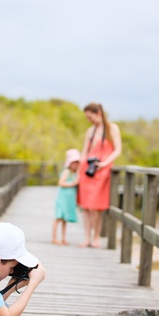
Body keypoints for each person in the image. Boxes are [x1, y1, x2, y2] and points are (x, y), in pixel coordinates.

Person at [77, 103, 122, 248]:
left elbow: (117, 150)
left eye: (90, 116)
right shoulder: (90, 131)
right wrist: (79, 170)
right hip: (87, 171)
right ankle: (86, 238)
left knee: (96, 207)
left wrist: (105, 163)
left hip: (102, 171)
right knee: (85, 207)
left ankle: (96, 237)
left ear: (98, 113)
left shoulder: (112, 128)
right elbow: (84, 151)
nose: (89, 120)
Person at [52, 148, 80, 245]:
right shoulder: (66, 172)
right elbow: (61, 183)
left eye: (77, 163)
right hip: (63, 198)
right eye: (73, 163)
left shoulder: (75, 173)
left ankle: (63, 238)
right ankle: (54, 238)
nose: (75, 165)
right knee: (58, 217)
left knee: (65, 219)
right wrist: (72, 184)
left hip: (69, 200)